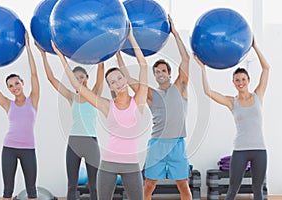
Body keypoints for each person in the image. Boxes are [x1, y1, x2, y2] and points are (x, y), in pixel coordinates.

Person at [51, 23, 148, 200]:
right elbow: (75, 85)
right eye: (112, 82)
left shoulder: (139, 100)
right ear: (110, 87)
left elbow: (143, 66)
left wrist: (131, 37)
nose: (117, 83)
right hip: (108, 165)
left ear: (125, 79)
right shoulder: (106, 105)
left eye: (119, 78)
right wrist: (61, 57)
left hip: (132, 165)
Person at [118, 15, 192, 200]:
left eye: (163, 71)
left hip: (177, 144)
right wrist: (118, 49)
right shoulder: (150, 93)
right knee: (149, 184)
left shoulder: (180, 87)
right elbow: (127, 77)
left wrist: (175, 32)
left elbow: (186, 59)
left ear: (169, 73)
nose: (160, 74)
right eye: (157, 71)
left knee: (183, 184)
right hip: (157, 144)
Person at [194, 37, 269, 200]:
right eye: (237, 80)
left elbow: (267, 69)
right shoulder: (231, 102)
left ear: (248, 80)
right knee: (233, 189)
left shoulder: (258, 95)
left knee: (258, 190)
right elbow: (209, 92)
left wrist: (255, 46)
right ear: (234, 83)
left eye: (243, 79)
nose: (240, 82)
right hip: (240, 150)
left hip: (259, 150)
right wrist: (202, 68)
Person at [35, 44, 104, 200]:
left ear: (87, 78)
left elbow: (101, 73)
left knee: (94, 185)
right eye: (76, 78)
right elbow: (51, 79)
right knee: (71, 185)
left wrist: (102, 52)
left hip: (91, 142)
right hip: (74, 141)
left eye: (81, 77)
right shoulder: (71, 96)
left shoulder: (95, 94)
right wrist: (43, 55)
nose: (79, 80)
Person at [0, 31, 39, 200]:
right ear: (8, 89)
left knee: (32, 190)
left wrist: (28, 48)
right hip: (9, 148)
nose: (14, 87)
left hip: (28, 149)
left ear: (22, 83)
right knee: (7, 191)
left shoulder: (33, 100)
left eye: (16, 83)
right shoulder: (8, 104)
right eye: (10, 86)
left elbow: (34, 74)